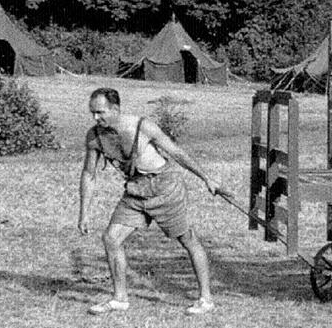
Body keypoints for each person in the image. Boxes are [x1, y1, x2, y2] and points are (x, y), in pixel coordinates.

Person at [78, 87, 230, 315]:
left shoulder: (142, 126)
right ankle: (119, 298)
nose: (95, 118)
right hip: (135, 191)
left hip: (164, 187)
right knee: (111, 238)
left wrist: (207, 179)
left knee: (188, 239)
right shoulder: (94, 136)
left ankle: (205, 299)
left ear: (115, 109)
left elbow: (176, 153)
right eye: (92, 113)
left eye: (100, 112)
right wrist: (84, 213)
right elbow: (89, 174)